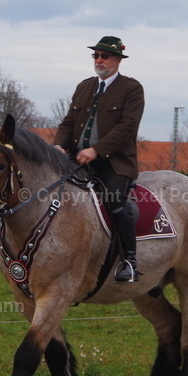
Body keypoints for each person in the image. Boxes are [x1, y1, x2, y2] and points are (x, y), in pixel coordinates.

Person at [54, 36, 145, 282]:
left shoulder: (131, 89)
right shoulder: (84, 86)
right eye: (95, 55)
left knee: (116, 202)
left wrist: (96, 150)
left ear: (118, 60)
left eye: (104, 56)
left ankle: (129, 261)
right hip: (76, 160)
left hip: (114, 163)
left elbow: (128, 128)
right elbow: (68, 123)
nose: (99, 60)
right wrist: (59, 146)